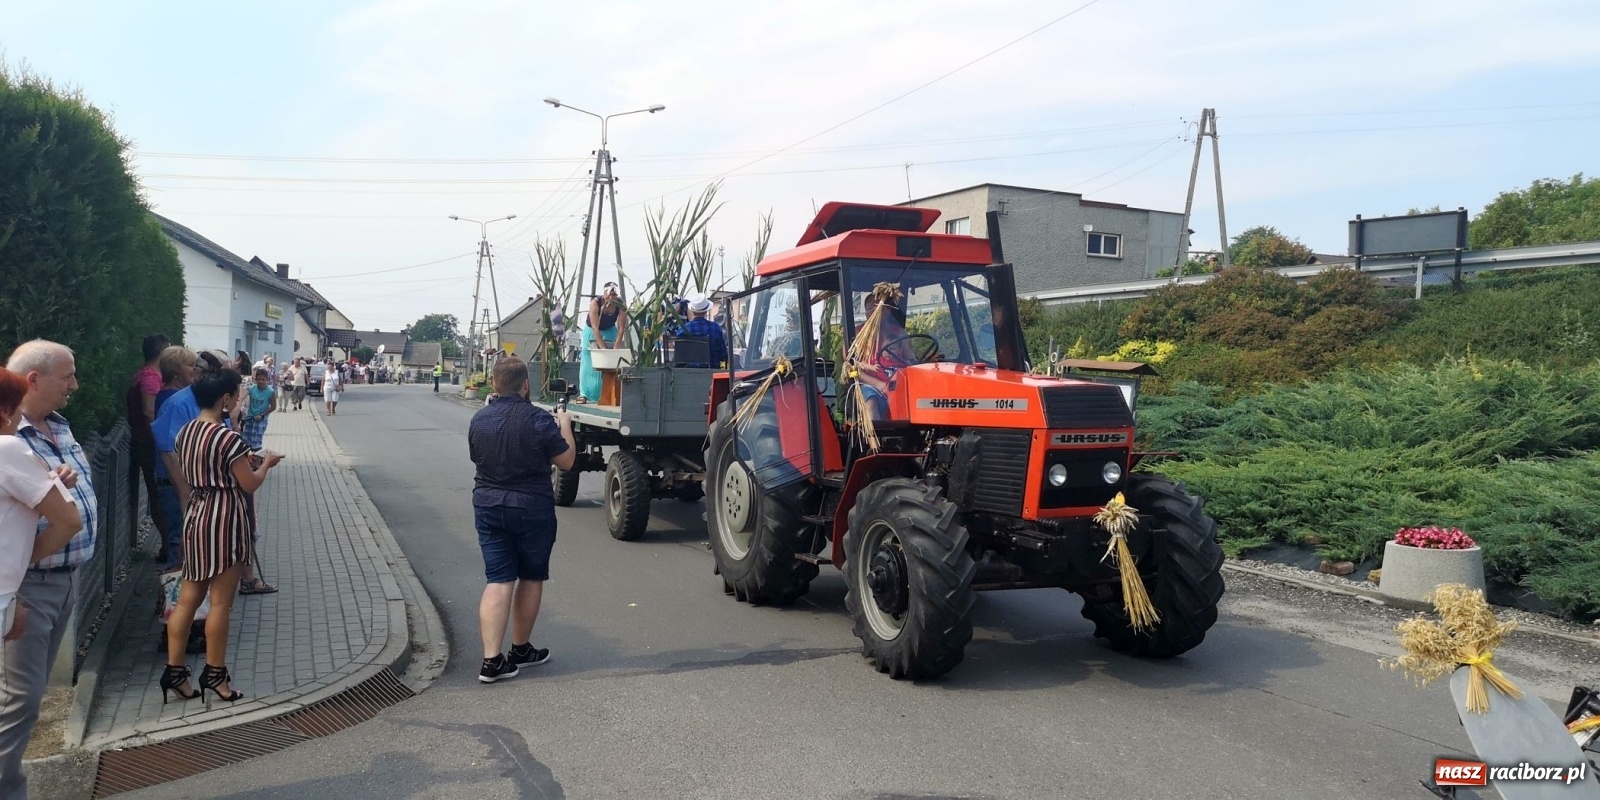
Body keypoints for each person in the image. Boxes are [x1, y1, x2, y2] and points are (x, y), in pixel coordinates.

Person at [0, 341, 97, 799]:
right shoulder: (10, 439)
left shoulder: (57, 426)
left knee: (26, 701)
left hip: (63, 580)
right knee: (18, 703)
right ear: (34, 379)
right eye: (67, 375)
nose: (75, 385)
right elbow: (65, 518)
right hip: (25, 587)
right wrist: (19, 571)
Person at [159, 370, 285, 705]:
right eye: (238, 395)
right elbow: (249, 483)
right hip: (224, 519)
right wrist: (267, 463)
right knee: (220, 603)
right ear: (225, 399)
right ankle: (215, 673)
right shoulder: (229, 438)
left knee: (187, 599)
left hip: (197, 514)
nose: (240, 400)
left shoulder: (186, 432)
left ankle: (175, 672)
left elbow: (204, 466)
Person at [467, 356, 574, 684]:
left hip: (488, 505)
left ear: (495, 384)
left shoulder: (479, 419)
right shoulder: (539, 420)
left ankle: (491, 661)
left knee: (498, 579)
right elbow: (566, 461)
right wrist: (565, 424)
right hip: (531, 509)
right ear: (525, 385)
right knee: (530, 577)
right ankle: (520, 649)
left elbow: (477, 458)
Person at [126, 334, 171, 551]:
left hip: (145, 441)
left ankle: (166, 542)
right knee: (159, 492)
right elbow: (149, 411)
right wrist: (161, 440)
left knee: (158, 492)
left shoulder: (146, 374)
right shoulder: (151, 378)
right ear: (161, 352)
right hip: (149, 443)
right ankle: (166, 543)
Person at [579, 282, 628, 403]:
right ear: (605, 294)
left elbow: (621, 327)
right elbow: (595, 327)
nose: (612, 297)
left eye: (614, 295)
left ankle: (606, 394)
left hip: (610, 331)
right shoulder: (595, 303)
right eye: (610, 294)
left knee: (610, 363)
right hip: (592, 331)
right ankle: (584, 393)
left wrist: (616, 347)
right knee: (589, 360)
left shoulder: (620, 304)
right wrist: (602, 348)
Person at [680, 293, 728, 369]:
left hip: (689, 372)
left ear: (692, 311)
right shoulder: (716, 328)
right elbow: (723, 355)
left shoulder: (684, 329)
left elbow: (679, 354)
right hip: (713, 371)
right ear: (706, 311)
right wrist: (724, 370)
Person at [241, 368, 275, 451]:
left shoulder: (270, 391)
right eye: (259, 379)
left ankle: (257, 459)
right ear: (255, 380)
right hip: (250, 418)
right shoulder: (251, 389)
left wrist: (262, 415)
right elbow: (242, 396)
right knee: (246, 440)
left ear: (267, 379)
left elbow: (273, 407)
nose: (261, 381)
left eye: (263, 379)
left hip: (261, 419)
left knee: (256, 440)